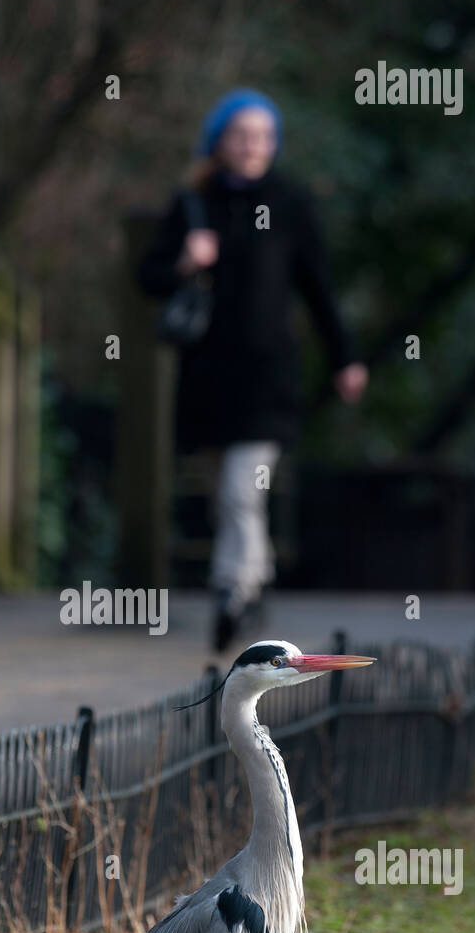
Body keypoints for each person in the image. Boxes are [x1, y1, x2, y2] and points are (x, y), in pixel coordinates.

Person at [138, 88, 368, 651]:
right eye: (242, 135)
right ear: (218, 141)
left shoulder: (290, 203)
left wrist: (346, 357)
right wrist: (185, 262)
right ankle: (255, 581)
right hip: (209, 376)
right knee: (226, 495)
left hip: (269, 378)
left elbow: (319, 289)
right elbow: (147, 278)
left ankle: (230, 594)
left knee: (245, 492)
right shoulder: (193, 202)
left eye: (264, 137)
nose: (252, 146)